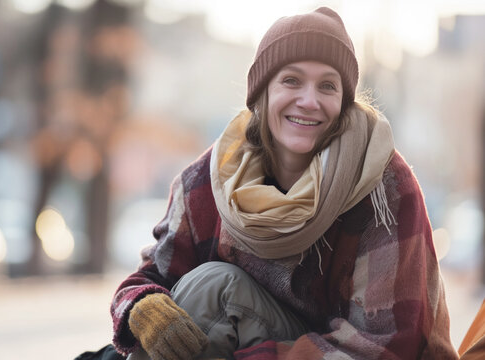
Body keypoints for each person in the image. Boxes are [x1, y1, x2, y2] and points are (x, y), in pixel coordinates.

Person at [109, 7, 458, 360]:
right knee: (184, 304)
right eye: (291, 80)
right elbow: (150, 278)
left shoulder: (383, 188)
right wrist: (142, 307)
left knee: (211, 290)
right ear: (262, 92)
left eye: (327, 86)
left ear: (343, 103)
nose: (309, 101)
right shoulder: (210, 181)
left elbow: (384, 347)